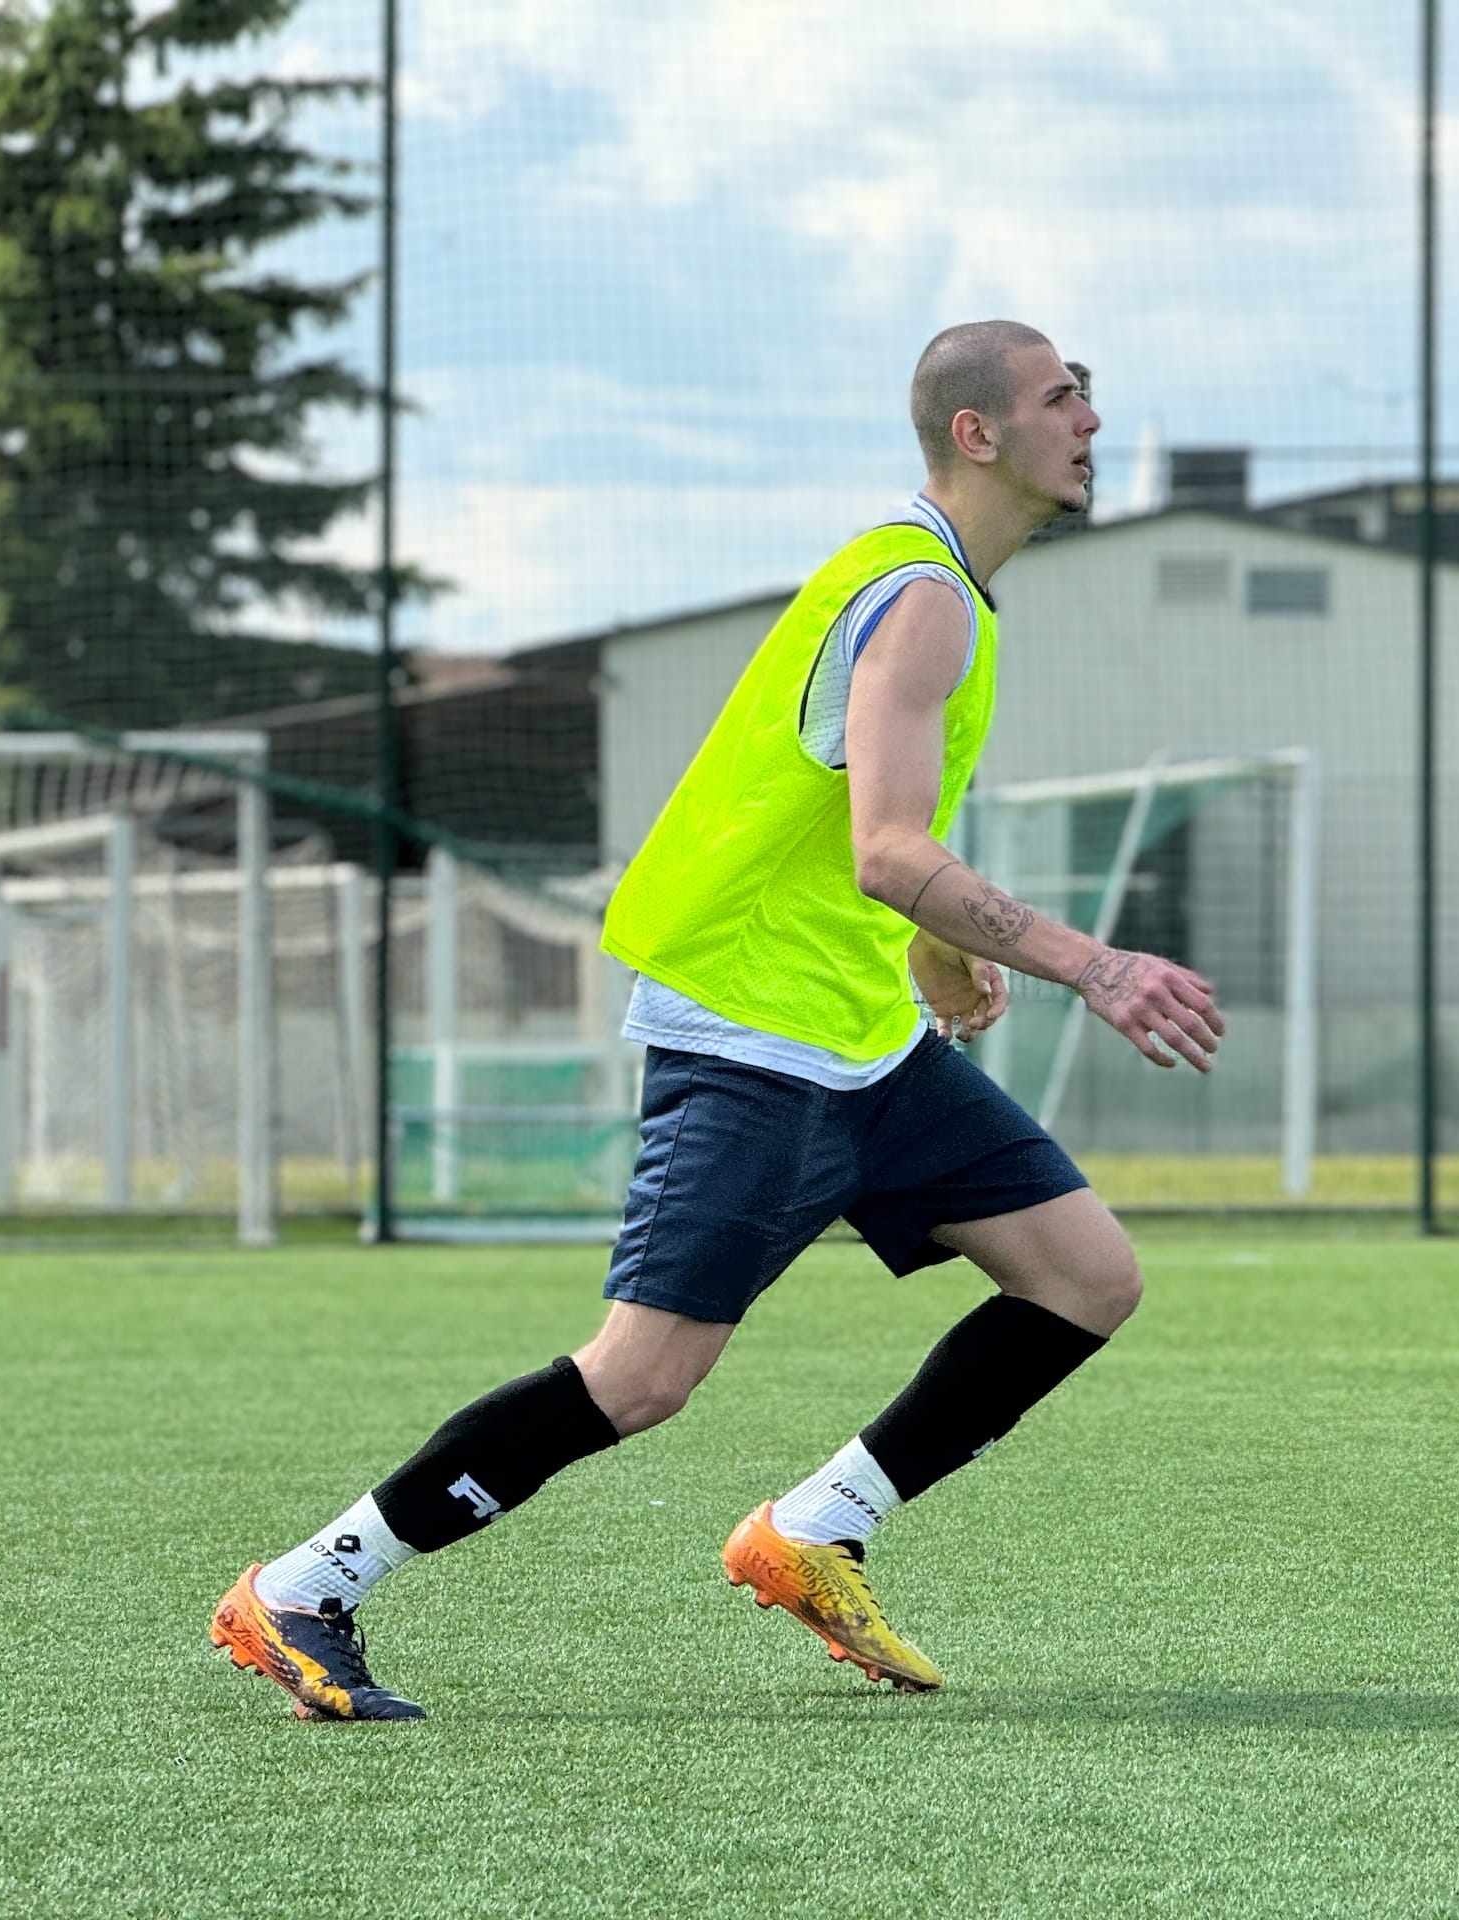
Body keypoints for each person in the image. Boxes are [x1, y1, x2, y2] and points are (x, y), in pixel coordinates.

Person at [210, 320, 1225, 1720]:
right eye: (1063, 399)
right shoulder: (920, 596)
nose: (1092, 423)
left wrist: (933, 951)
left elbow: (869, 835)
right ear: (978, 433)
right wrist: (1097, 967)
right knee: (638, 1381)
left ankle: (814, 1531)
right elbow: (884, 847)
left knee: (1086, 1274)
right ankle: (307, 1588)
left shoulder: (945, 591)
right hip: (752, 1033)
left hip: (857, 1032)